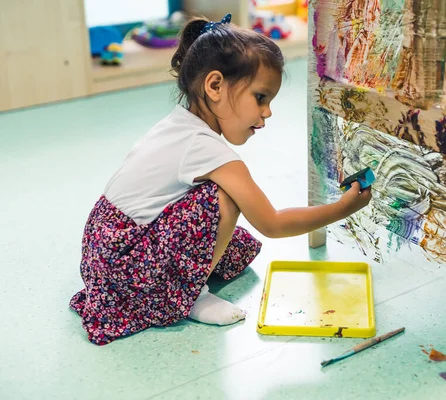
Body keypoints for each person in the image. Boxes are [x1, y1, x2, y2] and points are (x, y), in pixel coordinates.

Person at [70, 14, 372, 345]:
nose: (268, 112)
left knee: (231, 234)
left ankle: (178, 280)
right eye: (260, 97)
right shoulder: (207, 149)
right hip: (124, 264)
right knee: (223, 198)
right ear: (215, 86)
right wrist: (342, 208)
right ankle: (189, 295)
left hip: (105, 250)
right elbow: (272, 223)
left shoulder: (179, 124)